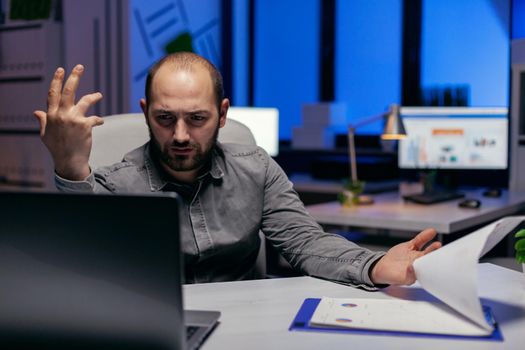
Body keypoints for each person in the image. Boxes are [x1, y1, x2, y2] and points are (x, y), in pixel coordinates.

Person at [34, 52, 441, 287]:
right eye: (164, 118)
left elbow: (305, 243)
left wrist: (373, 264)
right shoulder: (116, 183)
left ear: (223, 114)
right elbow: (85, 266)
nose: (179, 135)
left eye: (197, 118)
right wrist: (69, 166)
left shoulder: (257, 168)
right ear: (146, 112)